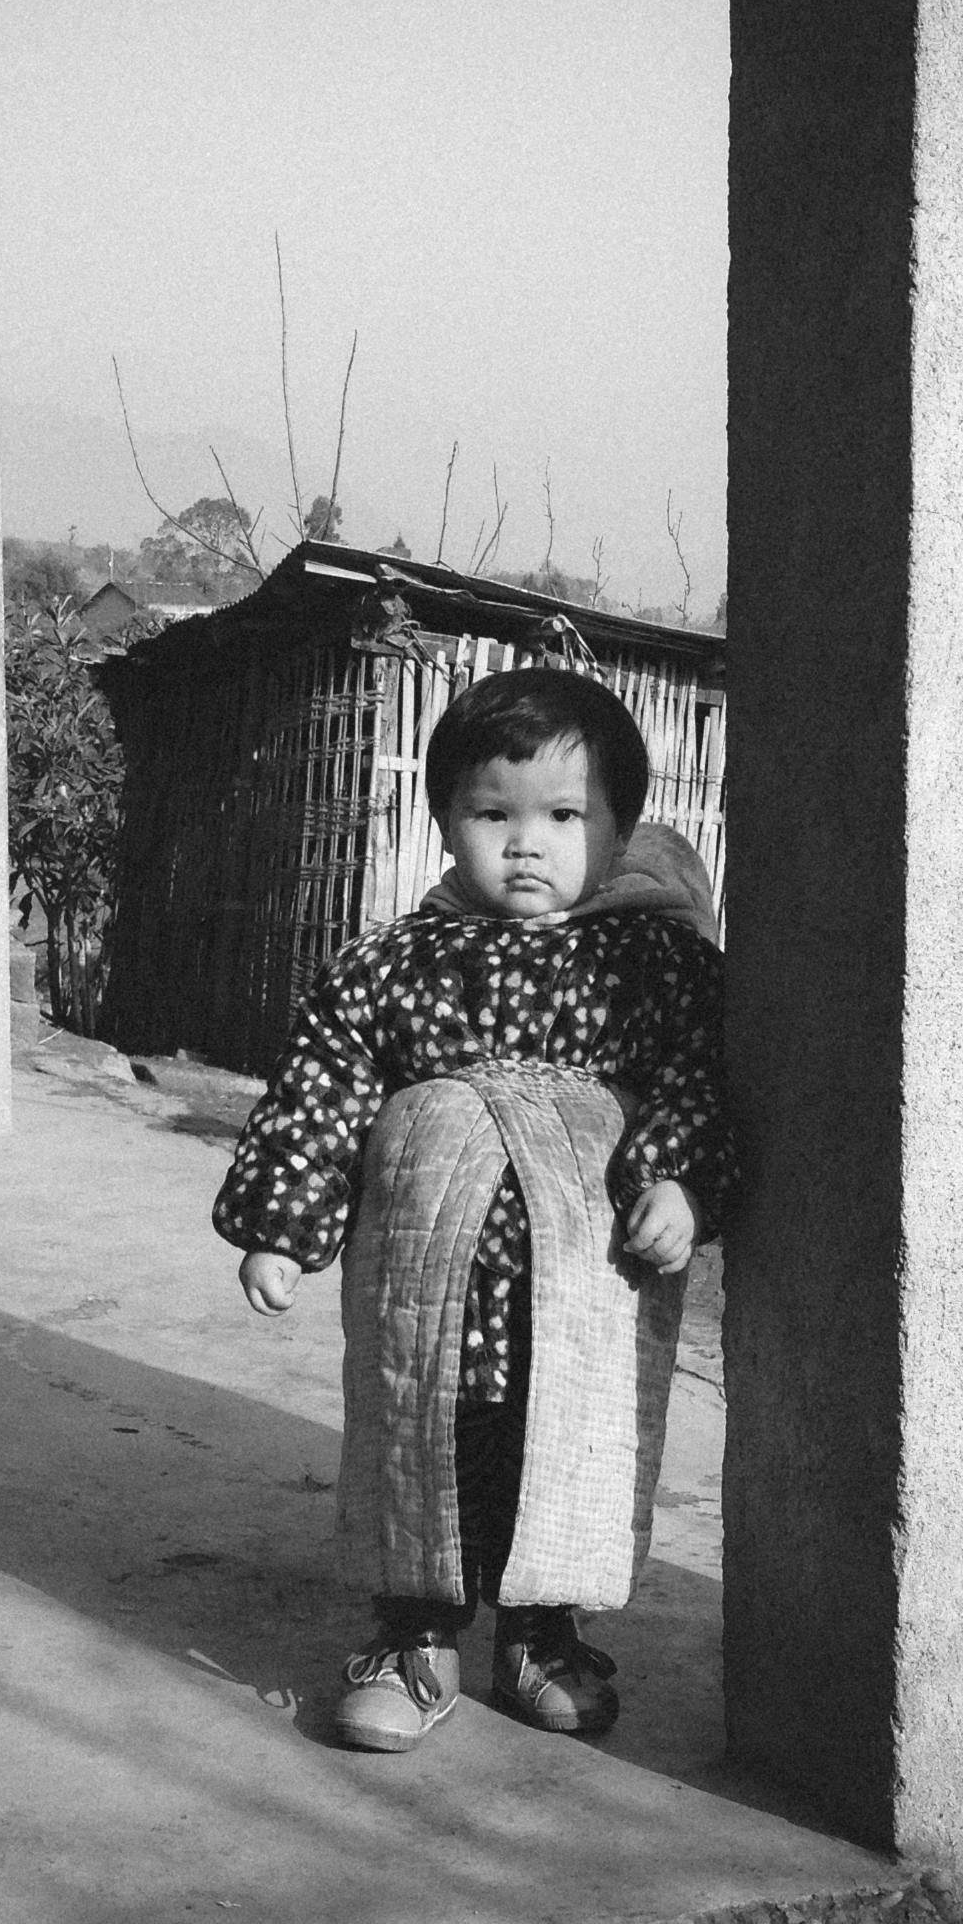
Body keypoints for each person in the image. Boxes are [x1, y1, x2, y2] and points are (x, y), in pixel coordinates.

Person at [215, 666, 733, 1753]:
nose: (526, 843)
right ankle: (415, 1638)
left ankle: (544, 1636)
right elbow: (327, 1086)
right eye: (493, 814)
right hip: (428, 1290)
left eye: (562, 817)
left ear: (621, 827)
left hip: (580, 1290)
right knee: (424, 1442)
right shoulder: (393, 965)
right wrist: (285, 1224)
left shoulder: (655, 966)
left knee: (562, 1448)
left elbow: (700, 1074)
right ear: (447, 821)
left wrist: (679, 1180)